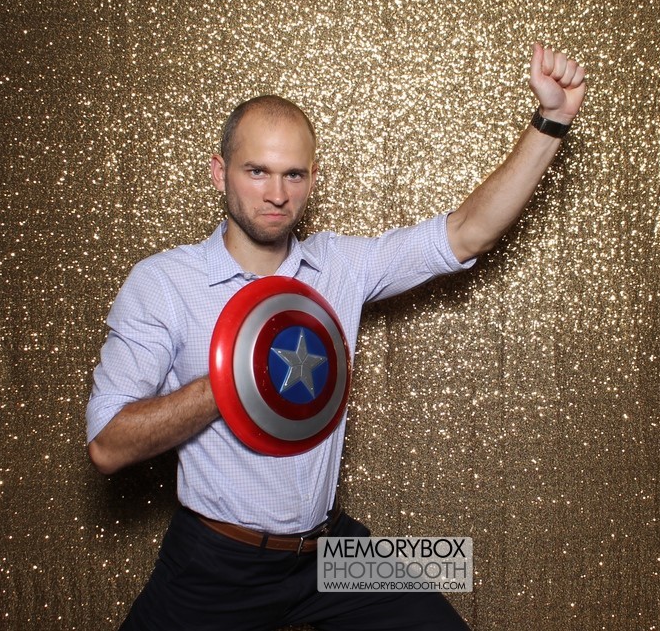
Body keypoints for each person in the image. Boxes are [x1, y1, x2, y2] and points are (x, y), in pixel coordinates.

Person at [86, 43, 586, 630]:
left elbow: (467, 233)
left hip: (327, 553)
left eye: (293, 174)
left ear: (313, 178)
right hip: (219, 563)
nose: (277, 194)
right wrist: (233, 379)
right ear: (220, 173)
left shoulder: (339, 267)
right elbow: (107, 447)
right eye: (257, 171)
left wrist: (552, 121)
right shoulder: (164, 283)